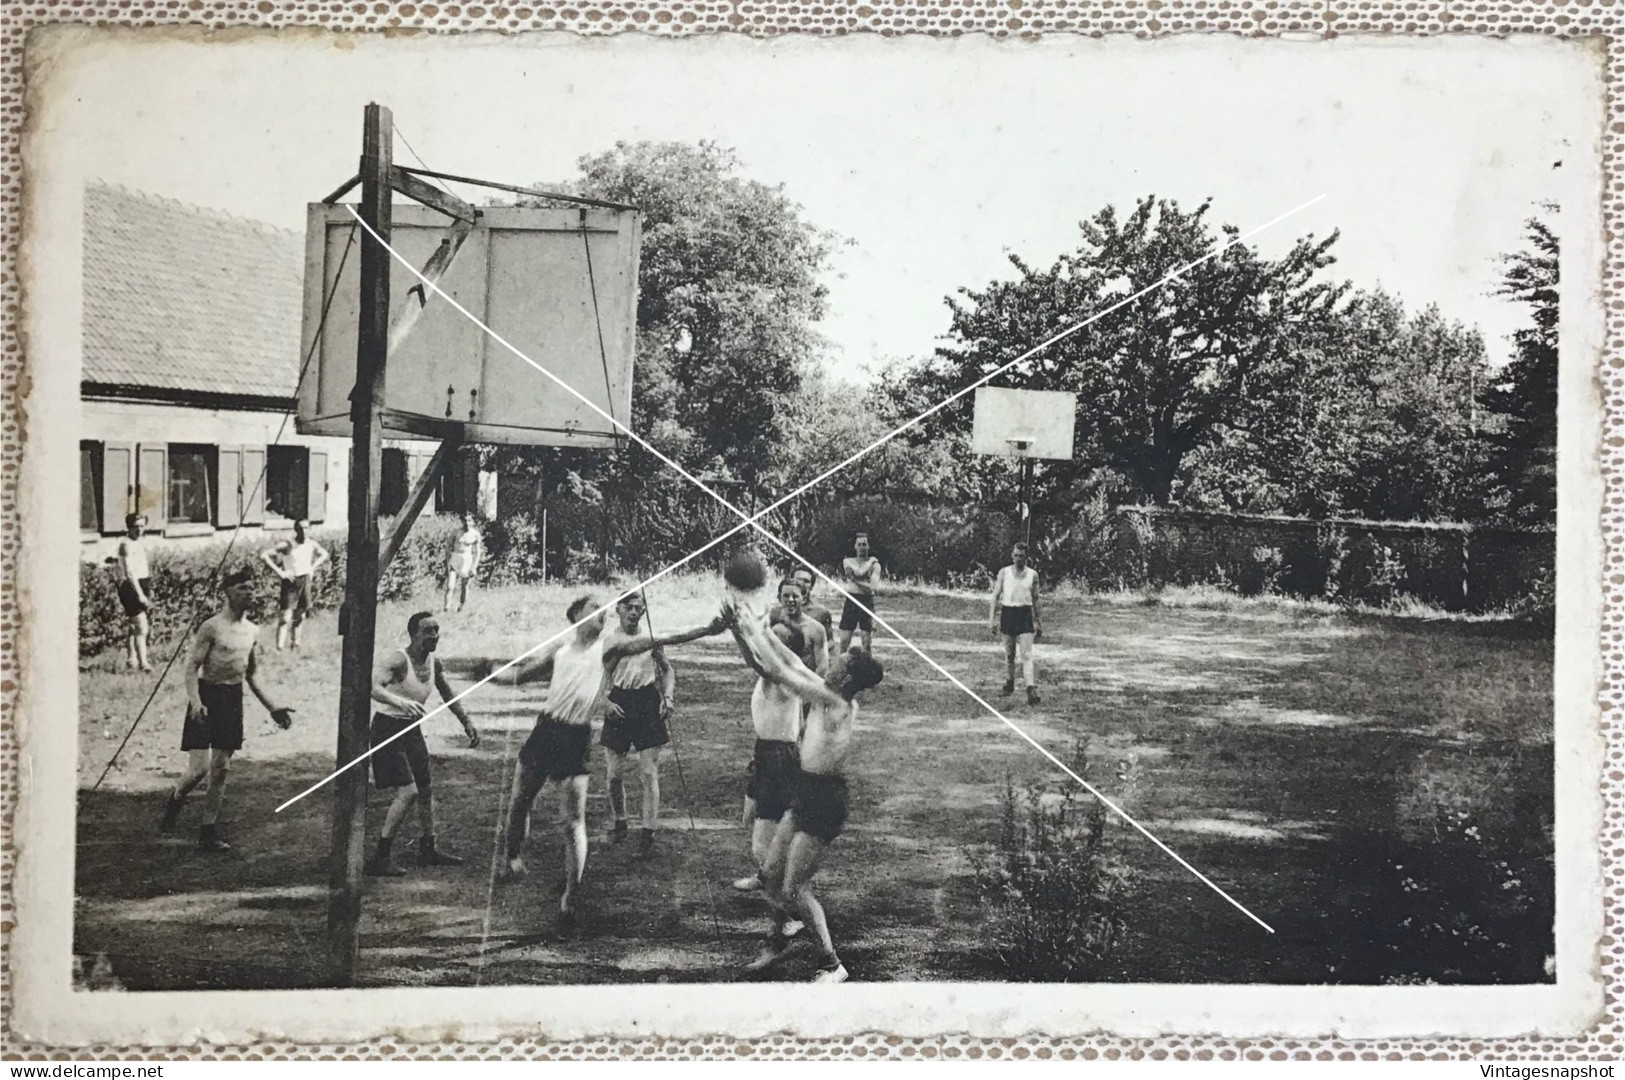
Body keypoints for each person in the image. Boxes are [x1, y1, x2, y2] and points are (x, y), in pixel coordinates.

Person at [493, 595, 726, 938]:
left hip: (574, 737)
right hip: (544, 731)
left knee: (573, 822)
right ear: (575, 614)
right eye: (594, 610)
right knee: (519, 802)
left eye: (605, 611)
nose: (602, 615)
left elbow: (663, 638)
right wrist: (490, 675)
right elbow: (522, 675)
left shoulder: (610, 646)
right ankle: (512, 857)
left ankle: (570, 898)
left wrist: (707, 629)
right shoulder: (559, 647)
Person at [727, 604, 885, 984]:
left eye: (839, 660)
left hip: (824, 801)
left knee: (794, 887)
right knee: (769, 874)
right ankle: (779, 937)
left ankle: (832, 965)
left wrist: (753, 626)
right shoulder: (831, 691)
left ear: (846, 676)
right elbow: (792, 662)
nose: (829, 659)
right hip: (806, 791)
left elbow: (783, 671)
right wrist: (756, 627)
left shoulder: (834, 701)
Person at [160, 567, 294, 852]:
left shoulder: (252, 631)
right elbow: (191, 669)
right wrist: (196, 702)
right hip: (206, 698)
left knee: (221, 768)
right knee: (199, 769)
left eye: (251, 588)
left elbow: (252, 675)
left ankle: (208, 832)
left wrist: (273, 708)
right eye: (243, 588)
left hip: (231, 699)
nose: (249, 593)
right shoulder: (212, 627)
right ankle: (176, 799)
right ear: (228, 593)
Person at [364, 611, 481, 877]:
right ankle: (380, 857)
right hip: (387, 729)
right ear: (414, 634)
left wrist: (466, 722)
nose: (435, 635)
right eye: (428, 631)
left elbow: (447, 692)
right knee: (409, 792)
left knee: (426, 789)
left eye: (437, 630)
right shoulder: (397, 659)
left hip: (411, 731)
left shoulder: (432, 662)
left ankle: (428, 848)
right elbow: (372, 687)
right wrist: (400, 702)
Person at [729, 616, 811, 897]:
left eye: (776, 638)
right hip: (766, 753)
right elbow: (799, 723)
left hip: (777, 759)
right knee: (749, 818)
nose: (766, 641)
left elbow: (753, 660)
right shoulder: (781, 675)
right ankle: (766, 875)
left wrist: (738, 632)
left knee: (762, 844)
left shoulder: (779, 675)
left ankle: (789, 910)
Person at [600, 593, 676, 859]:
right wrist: (605, 703)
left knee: (648, 772)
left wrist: (667, 697)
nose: (634, 613)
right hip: (619, 702)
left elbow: (667, 670)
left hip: (646, 701)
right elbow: (600, 676)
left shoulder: (650, 639)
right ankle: (620, 822)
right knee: (614, 774)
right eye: (629, 608)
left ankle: (648, 833)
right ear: (618, 609)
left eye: (639, 609)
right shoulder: (610, 641)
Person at [260, 519, 330, 651]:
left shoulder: (311, 544)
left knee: (300, 616)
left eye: (306, 528)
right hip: (291, 582)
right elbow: (264, 555)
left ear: (309, 529)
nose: (303, 531)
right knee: (285, 618)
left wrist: (312, 567)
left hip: (305, 581)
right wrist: (281, 572)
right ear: (296, 530)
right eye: (300, 529)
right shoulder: (288, 545)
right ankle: (279, 648)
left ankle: (295, 645)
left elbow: (324, 554)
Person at [990, 541, 1043, 705]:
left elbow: (1036, 598)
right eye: (1016, 556)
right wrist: (991, 619)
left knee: (1026, 654)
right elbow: (995, 595)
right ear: (1012, 556)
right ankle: (1009, 682)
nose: (1018, 559)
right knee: (1010, 653)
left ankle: (1031, 688)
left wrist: (1039, 622)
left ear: (1026, 558)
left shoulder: (1032, 575)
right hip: (1009, 613)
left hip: (1024, 614)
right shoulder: (1004, 573)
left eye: (1022, 556)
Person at [767, 577, 830, 676]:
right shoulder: (772, 624)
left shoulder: (815, 629)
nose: (790, 600)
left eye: (795, 596)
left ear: (804, 599)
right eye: (786, 596)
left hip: (806, 683)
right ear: (779, 598)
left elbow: (822, 668)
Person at [115, 513, 153, 672]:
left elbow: (143, 567)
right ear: (129, 528)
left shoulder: (141, 542)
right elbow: (130, 572)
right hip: (130, 586)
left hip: (142, 582)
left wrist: (148, 589)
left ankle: (131, 660)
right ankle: (143, 663)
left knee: (134, 625)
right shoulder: (125, 544)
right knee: (141, 626)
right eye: (135, 527)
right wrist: (140, 595)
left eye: (142, 526)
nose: (139, 530)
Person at [836, 533, 883, 654]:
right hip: (852, 600)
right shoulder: (848, 561)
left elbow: (872, 587)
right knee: (844, 641)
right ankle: (842, 668)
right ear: (855, 546)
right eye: (859, 544)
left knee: (866, 643)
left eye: (864, 544)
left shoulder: (876, 566)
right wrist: (871, 560)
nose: (862, 547)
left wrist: (855, 581)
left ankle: (867, 669)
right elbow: (859, 572)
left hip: (867, 601)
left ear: (868, 547)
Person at [444, 513, 484, 613]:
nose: (467, 523)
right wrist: (448, 559)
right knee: (450, 585)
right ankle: (446, 608)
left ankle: (461, 608)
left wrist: (474, 566)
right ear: (462, 521)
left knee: (464, 586)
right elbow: (448, 546)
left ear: (473, 522)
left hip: (467, 560)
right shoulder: (456, 532)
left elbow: (477, 552)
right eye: (465, 521)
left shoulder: (475, 534)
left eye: (469, 521)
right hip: (456, 558)